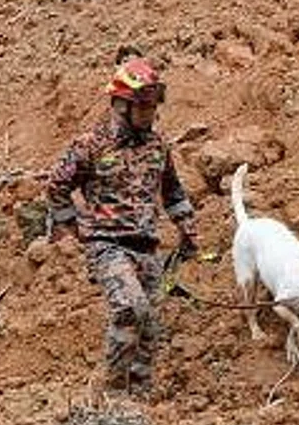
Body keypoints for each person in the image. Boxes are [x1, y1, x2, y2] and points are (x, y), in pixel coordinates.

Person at [44, 55, 200, 397]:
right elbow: (57, 186)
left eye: (152, 107)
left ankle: (138, 402)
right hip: (108, 245)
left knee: (149, 327)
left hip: (148, 247)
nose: (150, 114)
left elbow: (172, 191)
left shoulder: (159, 146)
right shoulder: (91, 145)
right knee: (130, 308)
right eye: (142, 107)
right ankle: (111, 394)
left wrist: (187, 228)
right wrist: (70, 230)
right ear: (121, 105)